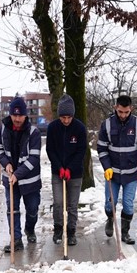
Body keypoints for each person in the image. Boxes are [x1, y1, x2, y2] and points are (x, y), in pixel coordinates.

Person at [97, 95, 137, 245]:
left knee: (128, 204)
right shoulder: (107, 125)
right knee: (110, 203)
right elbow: (101, 149)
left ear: (131, 109)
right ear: (115, 107)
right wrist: (107, 167)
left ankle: (125, 233)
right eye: (120, 111)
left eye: (126, 112)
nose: (123, 115)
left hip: (131, 174)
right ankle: (110, 218)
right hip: (113, 174)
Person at [0, 96, 42, 252]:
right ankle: (16, 240)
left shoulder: (34, 132)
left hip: (30, 180)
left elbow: (34, 157)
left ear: (25, 115)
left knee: (32, 209)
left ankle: (30, 229)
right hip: (10, 179)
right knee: (12, 209)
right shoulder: (3, 128)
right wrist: (6, 163)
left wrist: (18, 174)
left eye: (20, 115)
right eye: (14, 115)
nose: (17, 119)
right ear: (10, 114)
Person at [46, 94, 87, 246]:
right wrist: (59, 167)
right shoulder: (53, 128)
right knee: (58, 202)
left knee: (73, 205)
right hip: (57, 172)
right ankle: (58, 229)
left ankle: (71, 232)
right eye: (63, 117)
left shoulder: (80, 128)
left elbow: (81, 151)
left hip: (75, 174)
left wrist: (70, 168)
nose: (66, 120)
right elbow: (51, 150)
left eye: (69, 117)